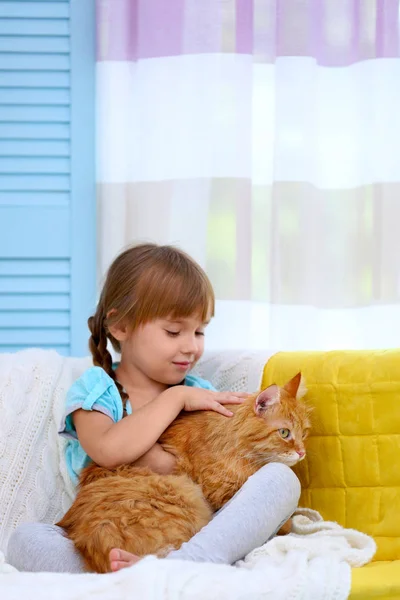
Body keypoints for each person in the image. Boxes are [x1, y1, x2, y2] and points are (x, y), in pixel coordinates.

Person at [7, 243, 300, 573]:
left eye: (200, 331)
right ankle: (139, 571)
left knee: (281, 481)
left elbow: (218, 472)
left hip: (194, 523)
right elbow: (107, 450)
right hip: (111, 527)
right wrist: (174, 400)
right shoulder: (98, 389)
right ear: (120, 327)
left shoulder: (202, 393)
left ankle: (182, 564)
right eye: (174, 331)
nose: (191, 346)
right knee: (27, 539)